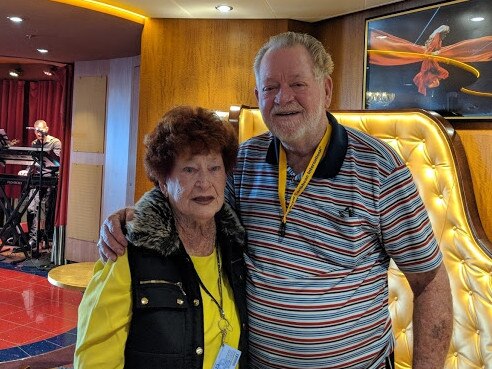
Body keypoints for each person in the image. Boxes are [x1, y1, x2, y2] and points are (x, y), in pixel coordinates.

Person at [98, 32, 453, 369]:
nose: (283, 98)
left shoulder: (378, 168)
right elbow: (194, 203)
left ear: (326, 88)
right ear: (258, 93)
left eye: (297, 84)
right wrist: (136, 217)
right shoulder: (245, 160)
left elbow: (430, 281)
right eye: (270, 87)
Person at [74, 106, 248, 369]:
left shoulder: (234, 247)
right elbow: (94, 361)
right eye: (189, 170)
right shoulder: (125, 251)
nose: (204, 182)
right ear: (163, 181)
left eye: (214, 168)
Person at [19, 119, 61, 249]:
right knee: (32, 208)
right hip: (38, 178)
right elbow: (34, 162)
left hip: (51, 178)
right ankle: (33, 239)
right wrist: (26, 170)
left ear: (47, 129)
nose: (39, 133)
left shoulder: (55, 142)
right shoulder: (34, 143)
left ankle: (48, 238)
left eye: (41, 130)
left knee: (49, 208)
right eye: (36, 131)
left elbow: (58, 162)